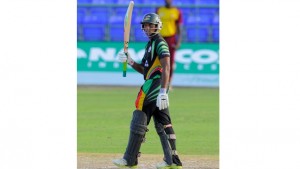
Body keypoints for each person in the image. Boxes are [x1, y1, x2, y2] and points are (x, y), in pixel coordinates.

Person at [112, 13, 183, 169]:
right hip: (153, 83)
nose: (148, 27)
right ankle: (173, 161)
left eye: (151, 25)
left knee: (140, 116)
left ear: (158, 26)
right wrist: (129, 61)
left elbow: (166, 67)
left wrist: (163, 91)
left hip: (154, 86)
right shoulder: (149, 45)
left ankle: (130, 159)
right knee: (163, 122)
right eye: (145, 25)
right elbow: (145, 70)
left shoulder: (160, 43)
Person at [156, 0, 183, 88]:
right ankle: (157, 82)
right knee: (157, 61)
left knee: (169, 62)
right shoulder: (159, 10)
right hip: (160, 38)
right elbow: (154, 26)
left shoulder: (177, 11)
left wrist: (178, 41)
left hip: (171, 39)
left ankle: (168, 83)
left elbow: (179, 28)